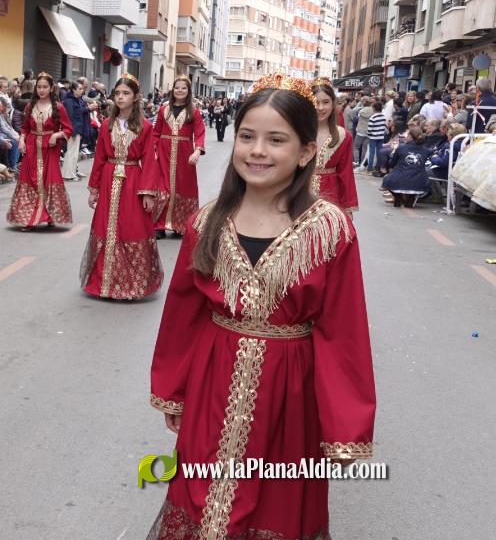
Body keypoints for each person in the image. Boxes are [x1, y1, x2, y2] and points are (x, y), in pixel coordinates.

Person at [147, 75, 375, 540]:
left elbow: (344, 331)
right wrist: (173, 387)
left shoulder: (328, 230)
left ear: (306, 152)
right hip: (213, 376)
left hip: (291, 391)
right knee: (200, 492)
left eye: (276, 140)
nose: (257, 151)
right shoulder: (206, 220)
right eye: (247, 136)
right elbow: (182, 314)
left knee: (277, 503)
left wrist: (347, 424)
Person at [80, 74, 166, 300]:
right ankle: (103, 282)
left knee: (132, 227)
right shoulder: (107, 125)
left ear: (136, 97)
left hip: (133, 180)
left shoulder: (145, 127)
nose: (120, 97)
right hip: (109, 178)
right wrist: (94, 189)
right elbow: (99, 157)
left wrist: (147, 192)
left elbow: (149, 160)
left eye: (126, 93)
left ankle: (132, 283)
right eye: (117, 93)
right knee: (105, 228)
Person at [6, 72, 74, 229]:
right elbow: (24, 128)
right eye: (39, 87)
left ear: (51, 88)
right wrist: (22, 140)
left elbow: (69, 129)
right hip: (31, 147)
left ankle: (49, 214)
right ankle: (29, 218)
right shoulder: (30, 106)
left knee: (48, 180)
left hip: (50, 149)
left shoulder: (59, 107)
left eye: (45, 87)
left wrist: (57, 135)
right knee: (30, 180)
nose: (42, 90)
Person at [152, 75, 206, 238]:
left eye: (183, 88)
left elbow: (200, 133)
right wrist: (153, 150)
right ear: (172, 90)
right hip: (163, 153)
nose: (180, 90)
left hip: (184, 156)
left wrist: (197, 151)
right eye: (177, 87)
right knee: (162, 188)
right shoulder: (163, 109)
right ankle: (158, 226)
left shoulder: (194, 112)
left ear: (188, 91)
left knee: (182, 189)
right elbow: (156, 132)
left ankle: (179, 225)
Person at [310, 79, 358, 214]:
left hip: (331, 197)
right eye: (315, 102)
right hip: (300, 194)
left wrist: (348, 208)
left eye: (325, 102)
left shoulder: (343, 136)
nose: (320, 107)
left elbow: (346, 173)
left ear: (332, 104)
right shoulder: (297, 133)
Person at [382, 124, 432, 208]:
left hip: (400, 178)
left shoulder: (401, 148)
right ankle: (410, 199)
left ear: (410, 136)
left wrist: (392, 156)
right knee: (416, 178)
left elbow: (392, 163)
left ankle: (398, 198)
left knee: (387, 179)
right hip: (420, 181)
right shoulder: (426, 150)